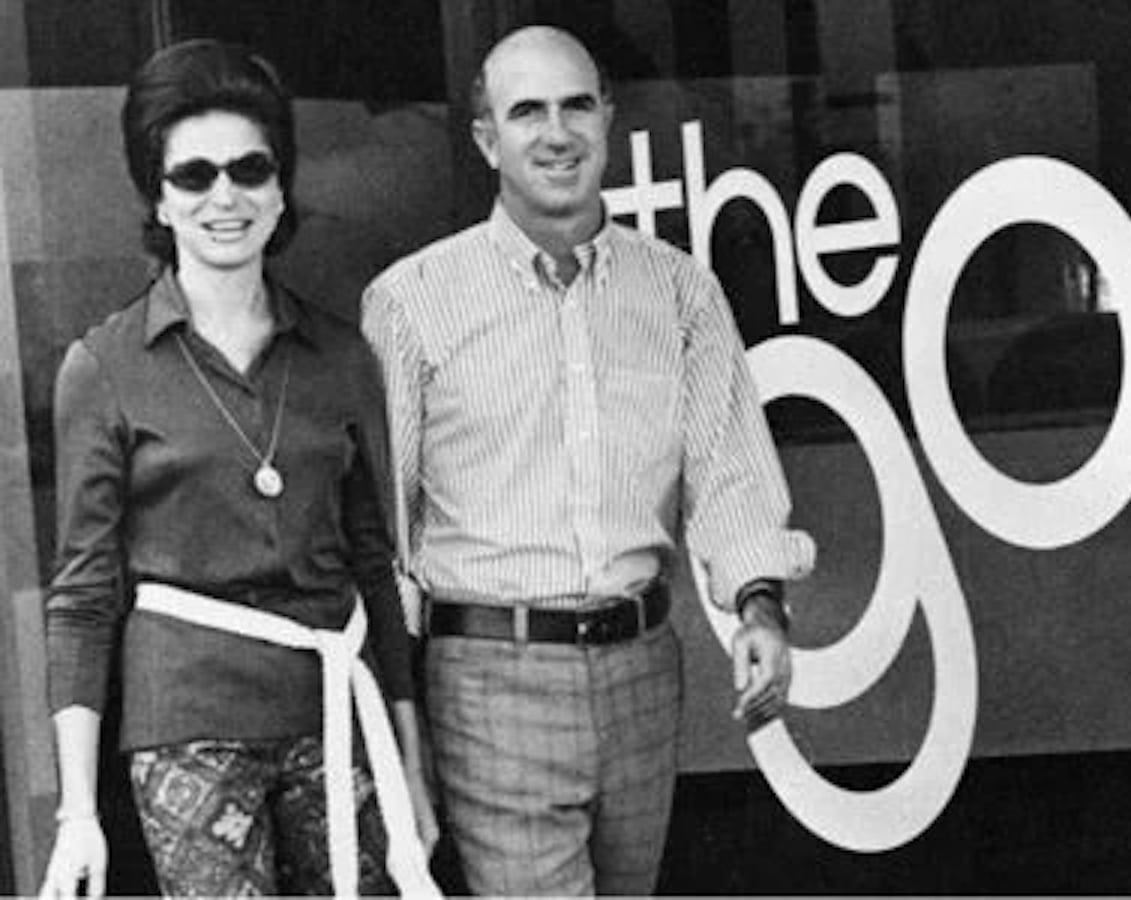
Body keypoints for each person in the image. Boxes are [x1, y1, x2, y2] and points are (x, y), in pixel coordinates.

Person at [361, 24, 816, 897]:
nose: (556, 132)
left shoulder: (679, 291)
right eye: (526, 112)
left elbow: (729, 475)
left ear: (608, 119)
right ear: (487, 139)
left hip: (643, 665)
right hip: (492, 678)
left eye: (576, 105)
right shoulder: (413, 302)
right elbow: (385, 531)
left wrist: (762, 610)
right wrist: (403, 730)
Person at [39, 39, 440, 899]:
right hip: (188, 724)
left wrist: (412, 759)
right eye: (194, 175)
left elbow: (376, 566)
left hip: (336, 710)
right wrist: (77, 811)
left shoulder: (340, 357)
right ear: (157, 194)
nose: (226, 195)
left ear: (281, 185)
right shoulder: (104, 365)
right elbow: (81, 596)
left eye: (250, 169)